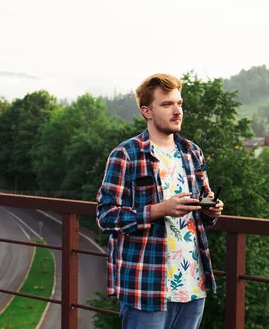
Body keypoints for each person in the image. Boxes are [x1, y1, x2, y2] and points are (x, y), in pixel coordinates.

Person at [96, 73, 224, 329]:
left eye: (180, 103)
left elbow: (200, 211)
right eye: (167, 105)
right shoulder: (125, 154)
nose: (177, 111)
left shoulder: (192, 152)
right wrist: (159, 210)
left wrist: (211, 210)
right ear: (147, 111)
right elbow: (106, 217)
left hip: (193, 285)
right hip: (147, 287)